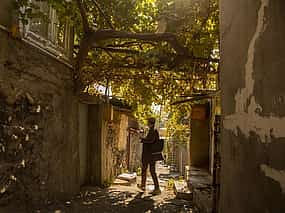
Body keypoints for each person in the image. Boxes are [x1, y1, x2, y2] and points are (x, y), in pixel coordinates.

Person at [138, 117, 162, 195]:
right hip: (150, 155)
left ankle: (155, 188)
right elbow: (150, 140)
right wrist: (144, 138)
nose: (147, 123)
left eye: (148, 122)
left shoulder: (153, 131)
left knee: (148, 170)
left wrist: (142, 139)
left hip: (149, 155)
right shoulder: (152, 130)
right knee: (148, 170)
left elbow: (150, 141)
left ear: (150, 123)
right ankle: (144, 186)